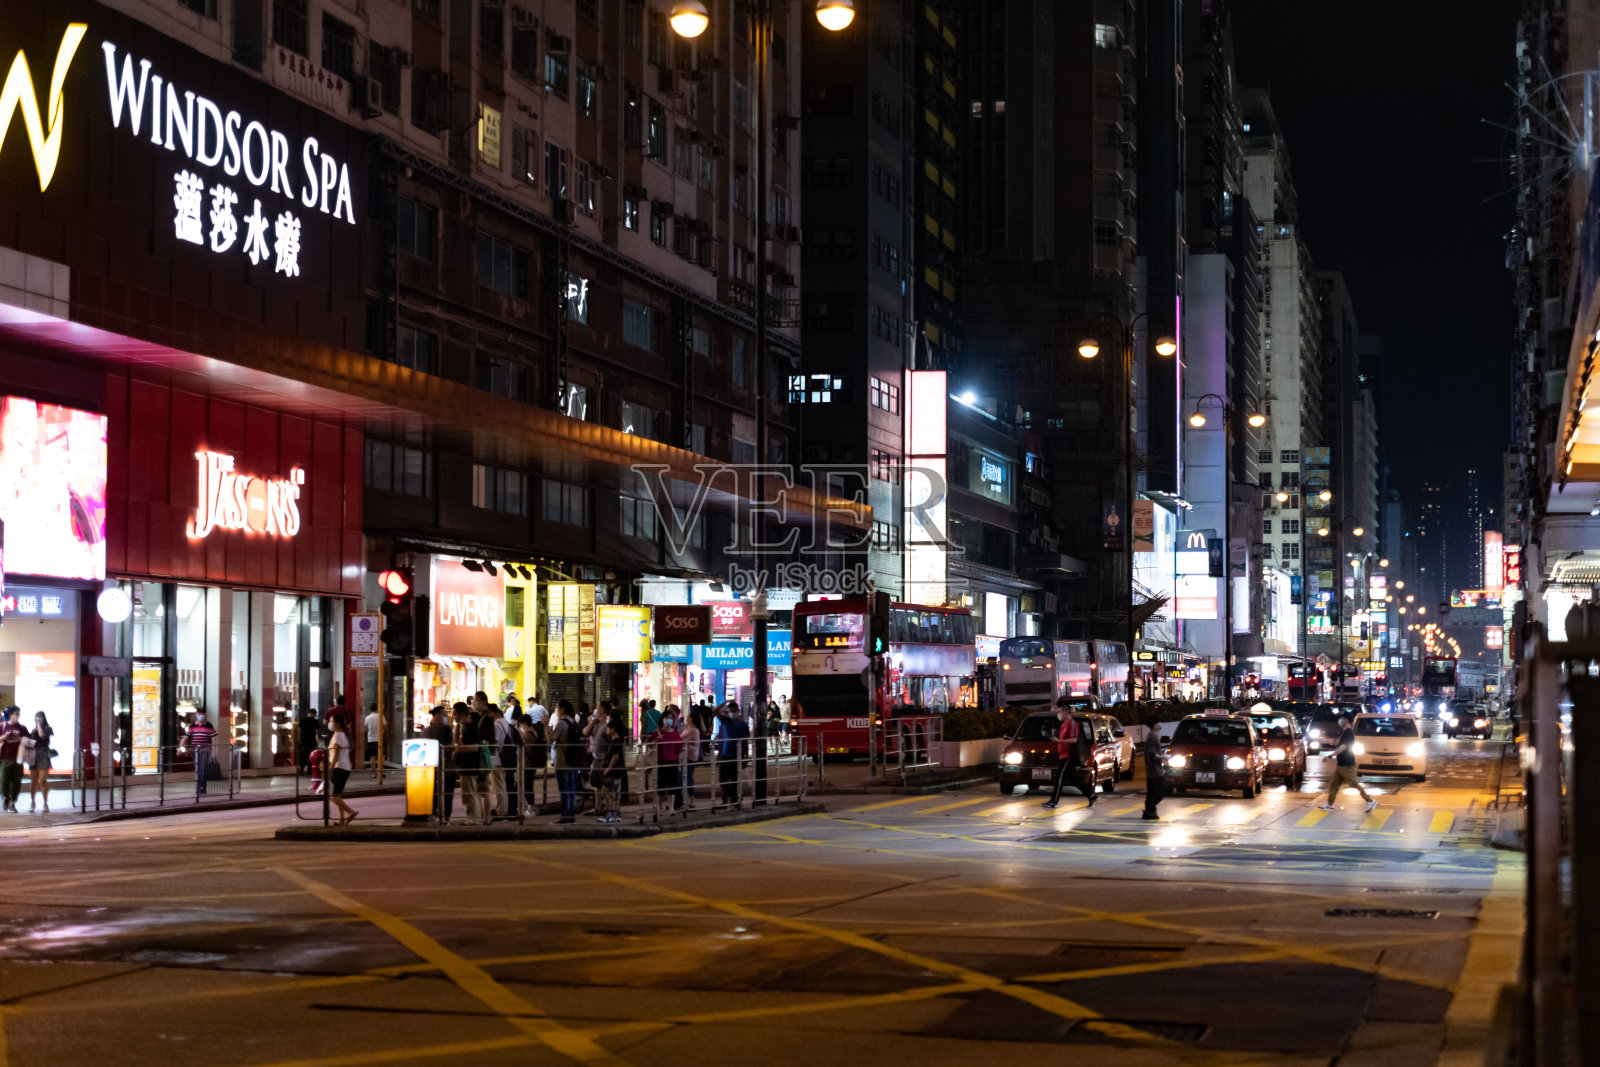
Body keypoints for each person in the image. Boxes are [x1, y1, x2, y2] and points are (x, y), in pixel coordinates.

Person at [1319, 715, 1378, 813]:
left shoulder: (1349, 733)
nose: (1339, 721)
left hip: (1347, 764)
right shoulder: (1345, 733)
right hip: (1341, 764)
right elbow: (1341, 744)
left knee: (1354, 784)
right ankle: (1330, 804)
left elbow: (1343, 747)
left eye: (1341, 719)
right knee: (1334, 784)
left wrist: (1330, 756)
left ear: (1345, 721)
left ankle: (1370, 801)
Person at [1041, 700, 1089, 810]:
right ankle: (1091, 796)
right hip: (1062, 755)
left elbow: (1074, 739)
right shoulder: (1063, 725)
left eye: (1059, 712)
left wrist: (1059, 741)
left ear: (1065, 712)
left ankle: (1054, 801)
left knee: (1059, 778)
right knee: (1073, 780)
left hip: (1068, 756)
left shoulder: (1072, 724)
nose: (1058, 715)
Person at [551, 700, 582, 824]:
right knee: (572, 789)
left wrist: (544, 726)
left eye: (557, 708)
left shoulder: (561, 723)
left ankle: (565, 816)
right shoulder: (573, 722)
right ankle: (571, 816)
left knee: (564, 789)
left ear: (562, 709)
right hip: (574, 761)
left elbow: (550, 739)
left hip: (563, 762)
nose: (556, 710)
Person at [325, 714, 358, 825]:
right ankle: (341, 821)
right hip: (344, 767)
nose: (330, 724)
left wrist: (330, 769)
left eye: (331, 721)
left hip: (339, 767)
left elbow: (336, 755)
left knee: (332, 795)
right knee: (337, 795)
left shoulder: (338, 736)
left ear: (338, 723)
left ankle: (350, 812)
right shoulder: (341, 734)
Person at [716, 701, 750, 807]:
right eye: (730, 711)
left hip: (737, 755)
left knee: (734, 779)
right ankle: (726, 799)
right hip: (725, 754)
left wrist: (746, 756)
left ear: (738, 711)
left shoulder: (743, 725)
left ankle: (735, 801)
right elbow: (715, 711)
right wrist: (725, 702)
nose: (732, 713)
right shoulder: (726, 721)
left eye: (734, 711)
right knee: (723, 779)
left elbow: (745, 741)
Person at [180, 711, 217, 798]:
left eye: (202, 714)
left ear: (205, 715)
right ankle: (199, 787)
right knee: (198, 769)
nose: (201, 716)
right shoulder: (192, 726)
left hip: (205, 750)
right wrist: (181, 746)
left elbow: (214, 739)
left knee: (203, 769)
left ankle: (202, 788)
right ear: (196, 715)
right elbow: (186, 736)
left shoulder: (209, 725)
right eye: (199, 714)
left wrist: (214, 752)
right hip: (195, 751)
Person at [0, 708, 27, 813]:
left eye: (18, 714)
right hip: (5, 759)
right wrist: (3, 737)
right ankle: (6, 796)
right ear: (10, 715)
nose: (17, 716)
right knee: (4, 780)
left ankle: (13, 803)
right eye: (15, 714)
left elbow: (30, 742)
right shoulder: (3, 726)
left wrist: (22, 739)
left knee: (17, 782)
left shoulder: (22, 728)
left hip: (18, 759)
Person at [656, 707, 684, 811]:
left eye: (671, 718)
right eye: (667, 717)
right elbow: (650, 745)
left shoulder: (675, 733)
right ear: (662, 719)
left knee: (672, 785)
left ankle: (671, 807)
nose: (669, 720)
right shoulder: (658, 732)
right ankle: (659, 807)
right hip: (661, 761)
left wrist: (680, 764)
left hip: (673, 762)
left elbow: (679, 749)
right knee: (661, 785)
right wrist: (656, 739)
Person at [27, 712, 54, 814]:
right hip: (33, 755)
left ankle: (45, 804)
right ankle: (32, 802)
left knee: (42, 780)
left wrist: (39, 724)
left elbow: (41, 735)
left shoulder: (48, 728)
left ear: (43, 718)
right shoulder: (33, 730)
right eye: (36, 717)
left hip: (43, 754)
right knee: (33, 781)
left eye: (40, 717)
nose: (37, 719)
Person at [1142, 727, 1169, 821]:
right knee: (1161, 790)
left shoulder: (1151, 736)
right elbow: (1152, 754)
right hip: (1155, 770)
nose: (1160, 724)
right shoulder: (1152, 738)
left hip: (1151, 770)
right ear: (1155, 725)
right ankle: (1150, 810)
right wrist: (1163, 757)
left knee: (1151, 792)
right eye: (1158, 722)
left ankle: (1149, 812)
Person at [680, 708, 703, 809]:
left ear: (692, 719)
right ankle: (688, 800)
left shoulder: (693, 730)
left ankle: (691, 800)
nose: (686, 718)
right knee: (687, 778)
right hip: (687, 757)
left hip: (689, 757)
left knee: (688, 778)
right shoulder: (689, 729)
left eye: (688, 717)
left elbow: (680, 739)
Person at [296, 706, 320, 777]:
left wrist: (299, 740)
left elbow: (299, 731)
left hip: (303, 741)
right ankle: (309, 771)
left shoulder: (302, 720)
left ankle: (301, 768)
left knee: (304, 755)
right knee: (311, 756)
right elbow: (317, 732)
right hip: (312, 741)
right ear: (314, 714)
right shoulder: (315, 721)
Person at [363, 703, 381, 774]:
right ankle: (380, 772)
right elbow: (385, 726)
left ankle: (374, 773)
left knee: (372, 757)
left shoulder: (367, 718)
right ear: (377, 708)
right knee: (381, 756)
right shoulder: (380, 716)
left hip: (370, 739)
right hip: (379, 739)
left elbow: (365, 728)